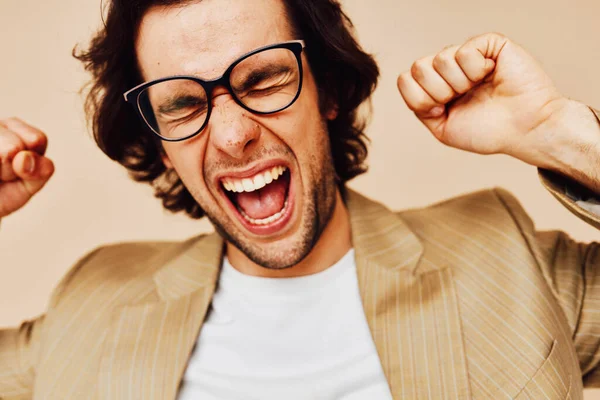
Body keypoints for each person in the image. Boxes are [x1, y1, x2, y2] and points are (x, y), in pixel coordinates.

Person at [0, 0, 599, 398]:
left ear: (328, 91)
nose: (233, 136)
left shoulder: (503, 253)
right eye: (183, 104)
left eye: (263, 79)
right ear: (161, 146)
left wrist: (560, 135)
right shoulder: (95, 297)